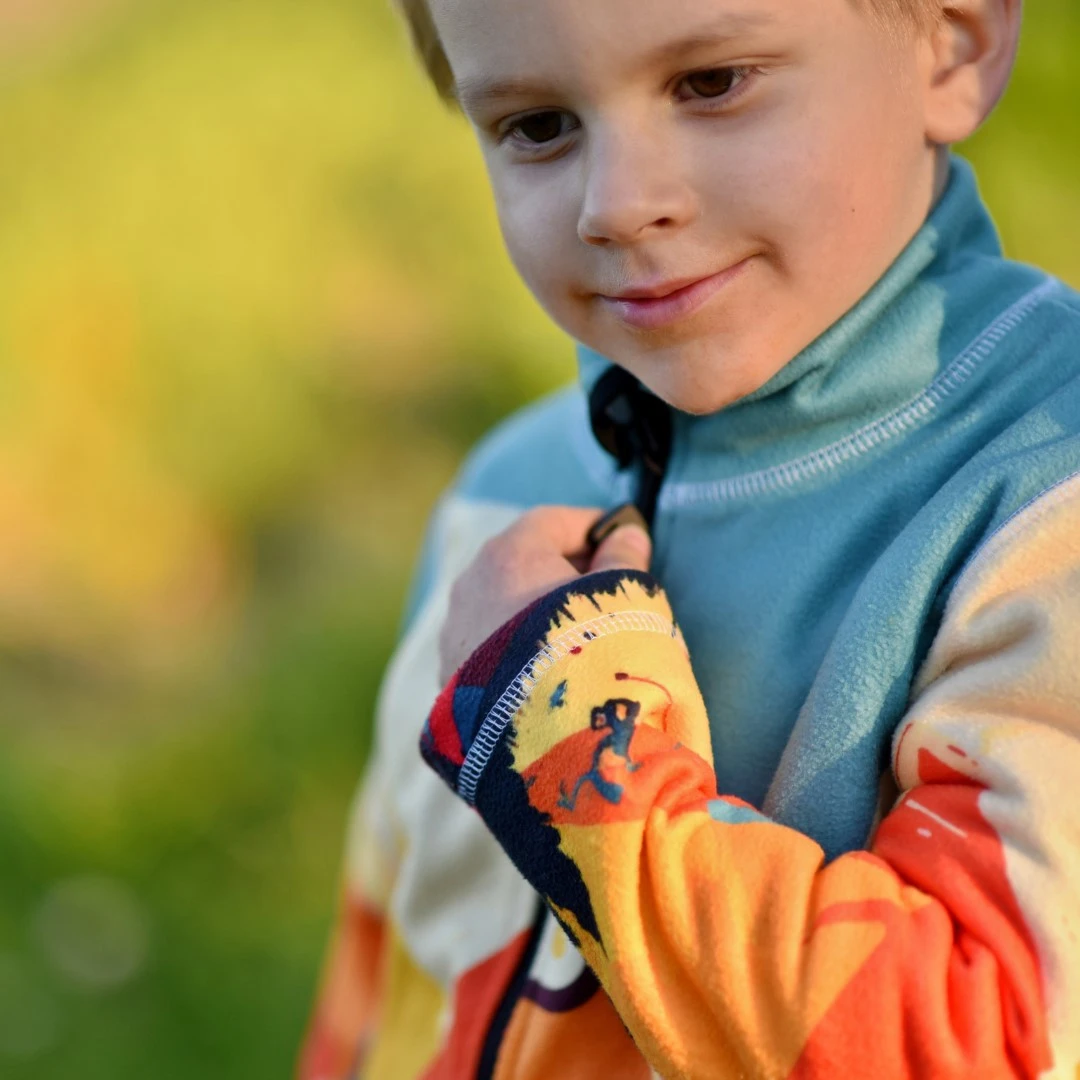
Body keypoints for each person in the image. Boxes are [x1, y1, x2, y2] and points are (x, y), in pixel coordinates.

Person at [300, 0, 1080, 1075]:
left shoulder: (1047, 506)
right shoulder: (504, 496)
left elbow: (983, 1041)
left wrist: (566, 741)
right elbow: (383, 983)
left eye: (712, 83)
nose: (619, 206)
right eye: (537, 126)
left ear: (956, 42)